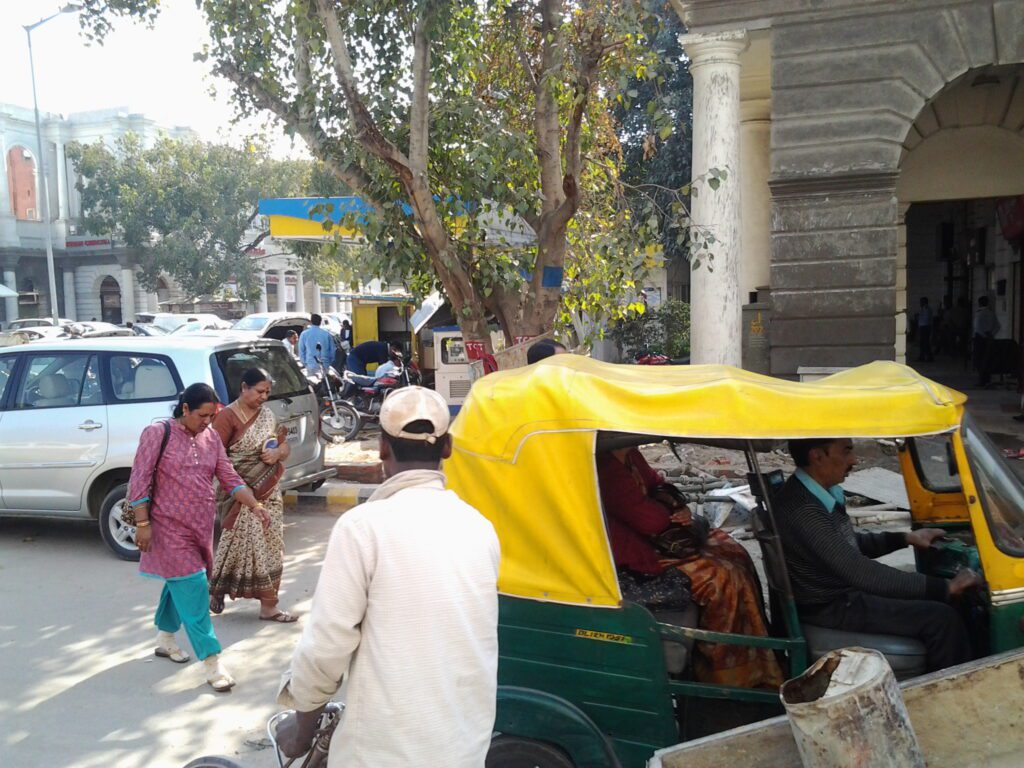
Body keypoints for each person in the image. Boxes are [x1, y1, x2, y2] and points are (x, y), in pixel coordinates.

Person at [274, 386, 500, 766]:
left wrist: (303, 727)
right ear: (447, 448)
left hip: (384, 751)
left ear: (382, 447)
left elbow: (327, 646)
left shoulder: (363, 528)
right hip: (465, 745)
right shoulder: (481, 528)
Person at [774, 438, 980, 672]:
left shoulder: (814, 495)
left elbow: (844, 546)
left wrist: (904, 539)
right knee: (942, 619)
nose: (854, 460)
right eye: (847, 451)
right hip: (832, 605)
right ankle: (951, 696)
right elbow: (862, 573)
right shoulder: (805, 511)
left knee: (937, 600)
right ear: (817, 456)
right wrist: (944, 588)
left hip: (839, 594)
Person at [597, 447, 783, 688]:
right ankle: (725, 673)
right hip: (637, 556)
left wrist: (679, 509)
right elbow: (647, 519)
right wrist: (672, 511)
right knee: (723, 577)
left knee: (734, 551)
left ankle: (760, 653)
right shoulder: (606, 466)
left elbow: (660, 485)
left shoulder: (630, 455)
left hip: (659, 540)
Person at [128, 383, 272, 692]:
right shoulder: (157, 433)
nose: (207, 422)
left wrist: (255, 505)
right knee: (193, 587)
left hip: (201, 526)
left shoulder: (210, 438)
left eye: (212, 415)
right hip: (167, 526)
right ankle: (212, 663)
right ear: (185, 410)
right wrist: (142, 523)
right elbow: (139, 479)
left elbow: (229, 477)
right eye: (202, 416)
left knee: (179, 582)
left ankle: (165, 639)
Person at [208, 368, 297, 623]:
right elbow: (215, 456)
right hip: (239, 494)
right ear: (244, 388)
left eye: (268, 392)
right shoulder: (227, 417)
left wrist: (278, 453)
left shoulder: (267, 415)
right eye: (260, 391)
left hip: (269, 492)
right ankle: (218, 588)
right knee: (237, 546)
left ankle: (269, 606)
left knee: (271, 546)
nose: (264, 396)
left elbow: (284, 444)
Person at [973, 296, 1000, 386]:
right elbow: (997, 326)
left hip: (980, 339)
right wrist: (991, 334)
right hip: (989, 339)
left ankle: (982, 380)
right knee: (987, 359)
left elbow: (977, 327)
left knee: (979, 360)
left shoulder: (979, 313)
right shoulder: (991, 313)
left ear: (979, 303)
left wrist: (984, 335)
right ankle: (987, 379)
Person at [916, 297, 934, 362]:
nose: (920, 303)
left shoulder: (927, 309)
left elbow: (926, 320)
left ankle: (929, 357)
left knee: (926, 343)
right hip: (922, 327)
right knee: (922, 343)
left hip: (925, 327)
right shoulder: (922, 309)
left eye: (921, 302)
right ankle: (922, 356)